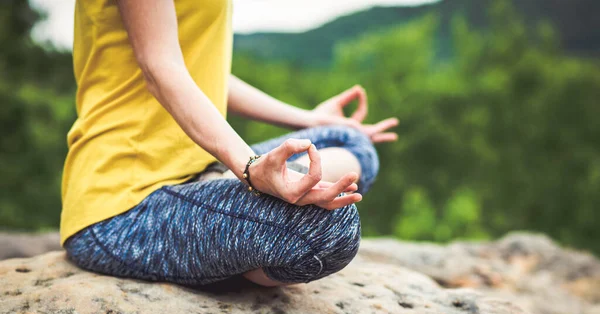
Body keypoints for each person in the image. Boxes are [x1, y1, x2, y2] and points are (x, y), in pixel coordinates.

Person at [61, 0, 398, 288]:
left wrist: (308, 119)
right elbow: (160, 68)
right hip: (123, 205)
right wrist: (249, 168)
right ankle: (229, 232)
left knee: (350, 140)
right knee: (329, 229)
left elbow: (199, 73)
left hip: (199, 171)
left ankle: (224, 210)